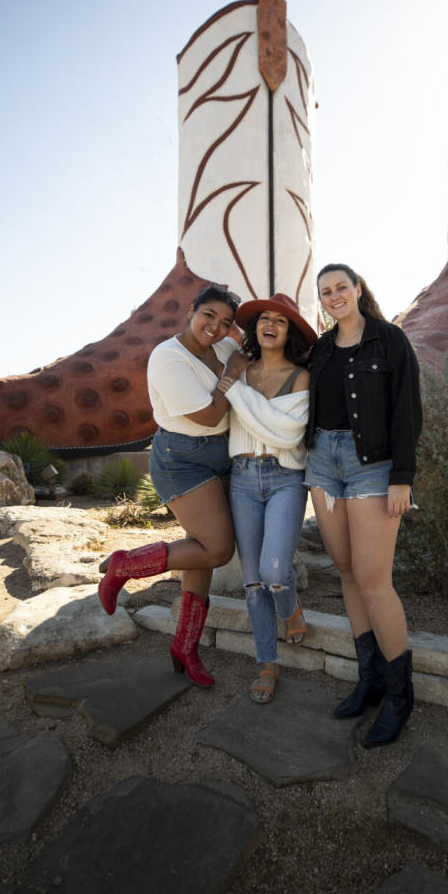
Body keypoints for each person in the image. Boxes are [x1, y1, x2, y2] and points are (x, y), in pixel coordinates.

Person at [97, 283, 245, 687]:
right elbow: (211, 415)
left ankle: (186, 645)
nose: (215, 328)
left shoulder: (227, 348)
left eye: (225, 322)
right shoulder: (168, 357)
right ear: (191, 311)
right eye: (208, 315)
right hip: (183, 457)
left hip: (223, 454)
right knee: (216, 548)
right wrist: (233, 374)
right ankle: (124, 565)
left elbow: (248, 347)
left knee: (200, 554)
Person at [304, 263, 422, 746]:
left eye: (340, 288)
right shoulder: (320, 349)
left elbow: (408, 411)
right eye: (325, 291)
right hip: (322, 465)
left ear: (357, 290)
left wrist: (402, 479)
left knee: (375, 581)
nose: (334, 296)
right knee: (348, 573)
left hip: (372, 465)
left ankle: (399, 697)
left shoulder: (389, 340)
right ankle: (369, 680)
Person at [222, 293, 316, 703]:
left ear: (289, 331)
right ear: (255, 328)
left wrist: (231, 389)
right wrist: (233, 380)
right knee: (253, 583)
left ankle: (290, 606)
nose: (270, 325)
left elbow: (287, 432)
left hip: (285, 479)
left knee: (275, 573)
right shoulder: (241, 371)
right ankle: (267, 663)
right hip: (242, 478)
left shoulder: (300, 376)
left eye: (281, 320)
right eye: (264, 319)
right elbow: (266, 420)